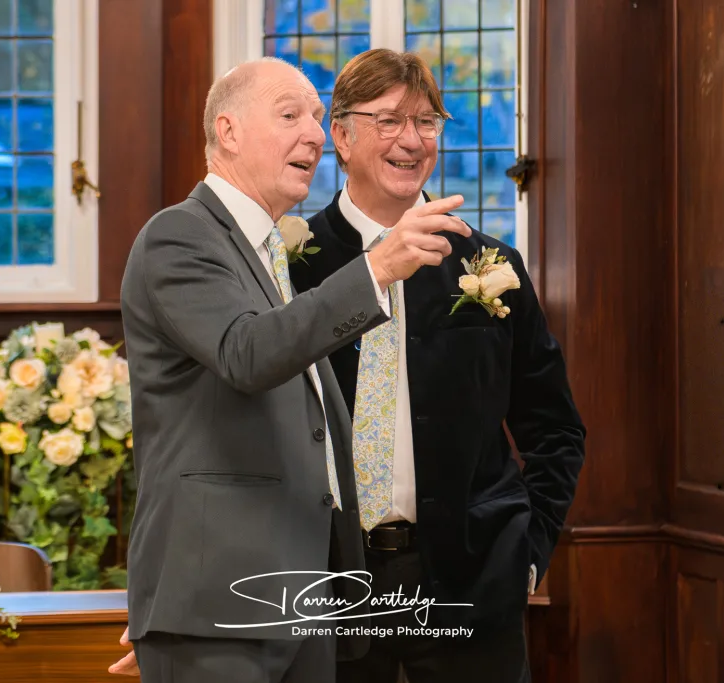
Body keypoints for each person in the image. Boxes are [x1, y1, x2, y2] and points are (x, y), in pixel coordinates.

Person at [115, 56, 471, 683]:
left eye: (315, 115)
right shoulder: (181, 234)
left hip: (300, 606)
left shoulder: (268, 248)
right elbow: (246, 353)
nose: (313, 132)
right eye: (290, 115)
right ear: (227, 132)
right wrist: (377, 270)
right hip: (218, 607)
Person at [285, 49, 587, 682]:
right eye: (390, 120)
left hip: (470, 586)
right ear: (341, 136)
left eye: (427, 122)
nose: (412, 140)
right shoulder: (295, 267)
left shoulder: (490, 267)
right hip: (328, 587)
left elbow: (555, 428)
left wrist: (526, 554)